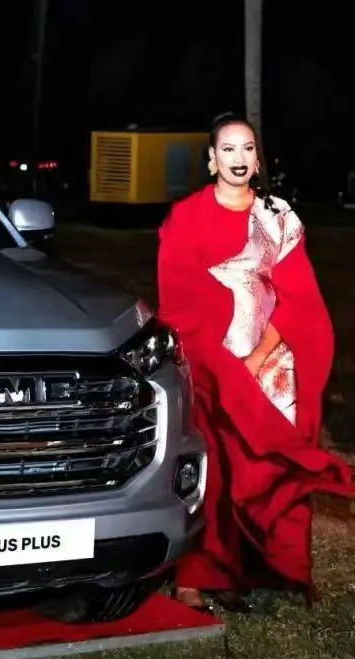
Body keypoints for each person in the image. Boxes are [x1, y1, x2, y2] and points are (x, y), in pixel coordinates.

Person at [156, 112, 353, 613]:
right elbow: (179, 300)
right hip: (209, 364)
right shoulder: (186, 218)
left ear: (258, 159)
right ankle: (196, 577)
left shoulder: (278, 217)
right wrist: (222, 363)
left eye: (247, 149)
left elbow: (300, 300)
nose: (239, 158)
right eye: (228, 149)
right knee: (215, 470)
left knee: (267, 469)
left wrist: (259, 358)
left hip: (270, 365)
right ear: (212, 159)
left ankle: (261, 570)